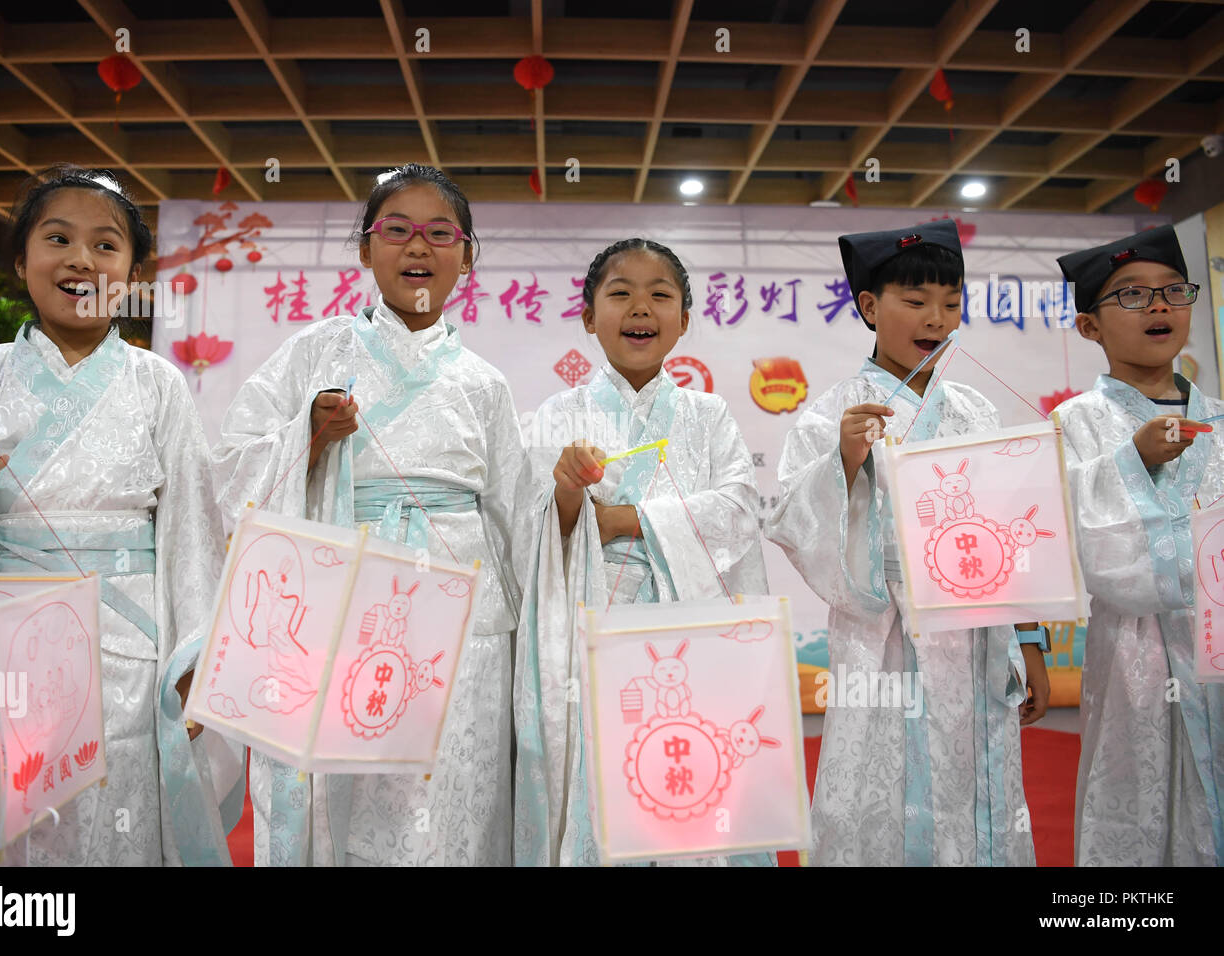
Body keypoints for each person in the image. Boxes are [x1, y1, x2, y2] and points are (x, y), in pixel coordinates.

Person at [0, 164, 241, 865]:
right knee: (11, 828)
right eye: (57, 238)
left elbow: (191, 526)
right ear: (21, 259)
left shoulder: (158, 383)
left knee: (115, 817)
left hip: (128, 652)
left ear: (132, 270)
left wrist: (193, 661)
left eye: (106, 245)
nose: (80, 260)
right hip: (0, 641)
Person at [213, 163, 523, 866]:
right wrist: (308, 436)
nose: (419, 247)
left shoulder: (486, 385)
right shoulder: (312, 352)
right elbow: (231, 466)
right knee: (337, 787)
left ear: (467, 256)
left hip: (463, 615)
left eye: (441, 233)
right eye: (397, 230)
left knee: (451, 790)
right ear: (365, 249)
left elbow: (516, 520)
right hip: (341, 603)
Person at [765, 220, 1044, 866]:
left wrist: (1028, 639)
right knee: (877, 796)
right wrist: (845, 459)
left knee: (975, 796)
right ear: (869, 307)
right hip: (881, 649)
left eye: (951, 302)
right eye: (915, 302)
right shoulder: (833, 413)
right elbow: (802, 529)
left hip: (973, 646)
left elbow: (1004, 533)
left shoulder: (974, 410)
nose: (936, 318)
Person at [512, 238, 772, 866]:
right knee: (597, 791)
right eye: (620, 293)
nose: (640, 308)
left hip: (689, 634)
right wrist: (567, 495)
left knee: (685, 787)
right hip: (585, 639)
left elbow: (738, 510)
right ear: (588, 315)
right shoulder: (553, 417)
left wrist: (626, 520)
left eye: (660, 295)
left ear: (684, 319)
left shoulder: (709, 416)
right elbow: (525, 528)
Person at [1056, 224, 1223, 865]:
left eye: (1172, 291)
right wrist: (1131, 460)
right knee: (1134, 798)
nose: (1157, 306)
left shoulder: (1220, 418)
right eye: (1130, 296)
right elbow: (1067, 531)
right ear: (1090, 328)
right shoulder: (1077, 422)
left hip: (1219, 642)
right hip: (1135, 652)